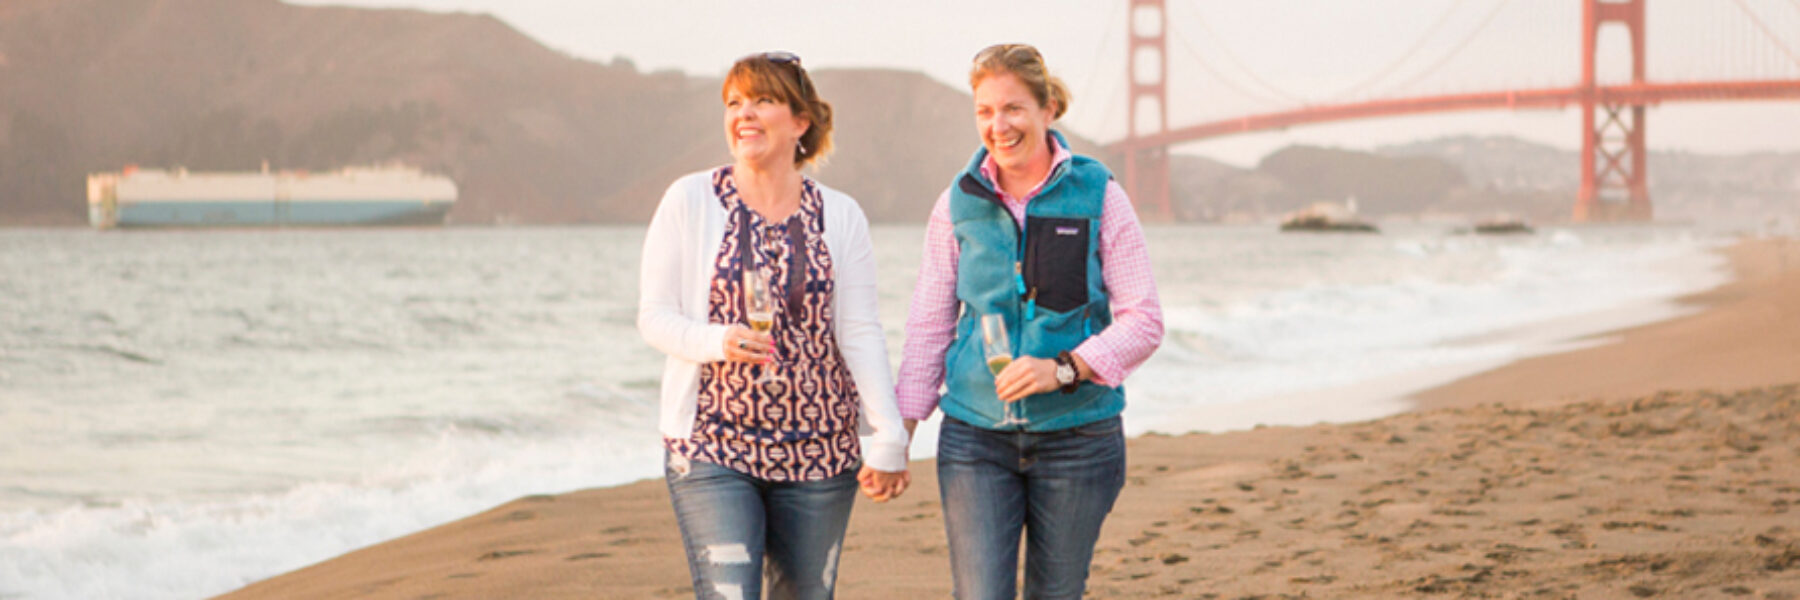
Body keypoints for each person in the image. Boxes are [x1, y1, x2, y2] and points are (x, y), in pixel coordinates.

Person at [894, 43, 1165, 599]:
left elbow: (1144, 321)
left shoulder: (1101, 194)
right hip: (975, 440)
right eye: (985, 111)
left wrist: (1063, 369)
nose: (999, 125)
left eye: (1014, 108)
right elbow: (929, 322)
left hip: (1080, 437)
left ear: (1048, 109)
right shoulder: (956, 203)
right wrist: (900, 430)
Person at [637, 51, 911, 600]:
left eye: (763, 100)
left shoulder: (841, 215)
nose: (745, 114)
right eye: (735, 102)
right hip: (713, 444)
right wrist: (718, 340)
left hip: (820, 451)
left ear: (800, 121)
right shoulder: (689, 200)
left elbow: (859, 332)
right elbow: (655, 318)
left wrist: (890, 435)